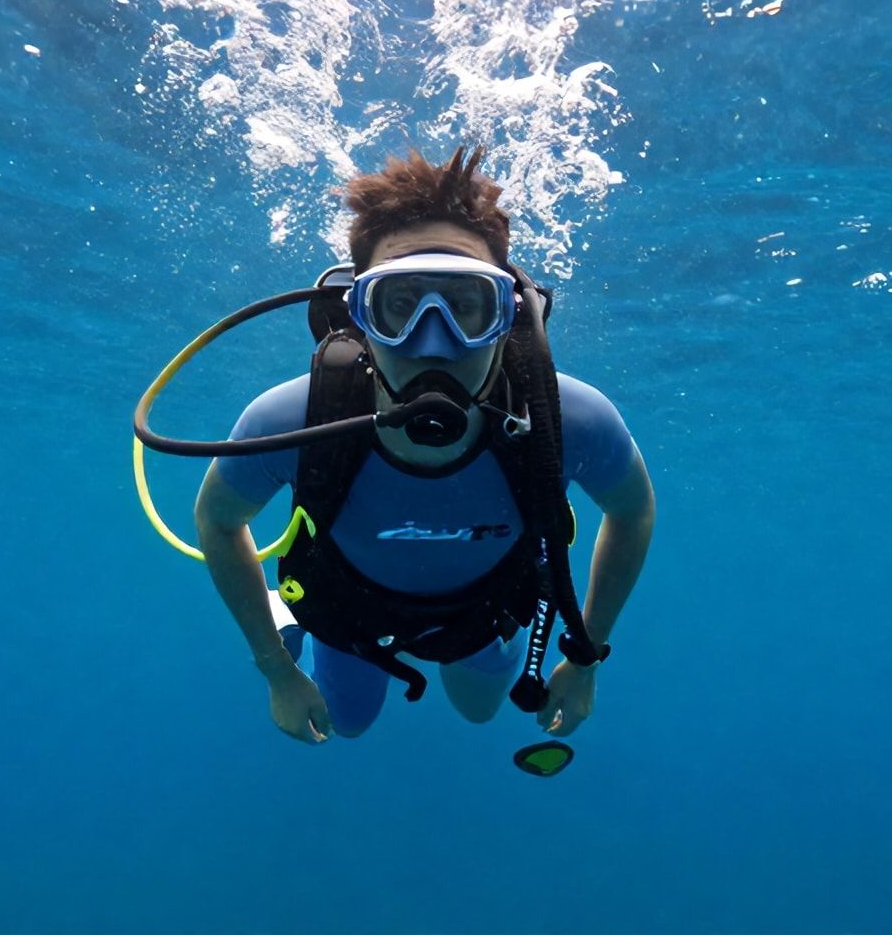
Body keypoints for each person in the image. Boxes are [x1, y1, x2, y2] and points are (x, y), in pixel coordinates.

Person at [189, 147, 655, 743]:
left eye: (467, 306)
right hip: (349, 617)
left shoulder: (569, 418)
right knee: (349, 723)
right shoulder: (291, 418)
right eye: (399, 307)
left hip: (486, 616)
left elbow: (633, 509)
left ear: (510, 315)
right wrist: (277, 671)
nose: (434, 344)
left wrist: (586, 656)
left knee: (479, 710)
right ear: (357, 316)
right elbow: (217, 520)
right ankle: (289, 624)